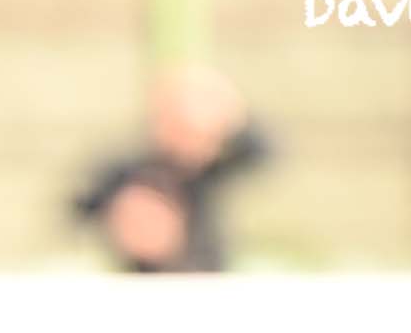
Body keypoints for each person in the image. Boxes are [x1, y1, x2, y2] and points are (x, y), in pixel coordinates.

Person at [74, 66, 271, 276]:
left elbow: (261, 151)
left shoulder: (208, 172)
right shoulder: (126, 171)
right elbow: (81, 208)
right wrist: (121, 215)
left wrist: (229, 113)